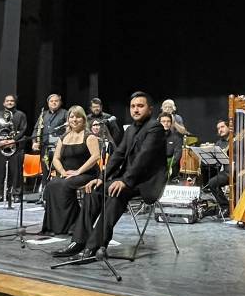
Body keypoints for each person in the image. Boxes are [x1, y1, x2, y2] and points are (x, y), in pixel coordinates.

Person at [53, 91, 166, 259]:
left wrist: (125, 181)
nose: (135, 110)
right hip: (127, 179)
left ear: (150, 109)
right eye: (133, 106)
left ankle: (95, 247)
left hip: (146, 183)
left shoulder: (155, 128)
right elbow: (118, 155)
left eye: (140, 106)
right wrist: (100, 178)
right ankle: (78, 241)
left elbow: (143, 159)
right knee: (93, 189)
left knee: (115, 192)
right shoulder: (130, 130)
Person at [41, 106, 101, 235]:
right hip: (68, 174)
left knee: (65, 184)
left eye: (78, 116)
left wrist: (79, 171)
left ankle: (74, 223)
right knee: (52, 185)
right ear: (68, 119)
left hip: (87, 174)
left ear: (84, 119)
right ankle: (56, 225)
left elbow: (95, 156)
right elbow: (56, 158)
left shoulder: (89, 136)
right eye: (72, 117)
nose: (74, 119)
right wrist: (62, 172)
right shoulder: (64, 137)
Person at [0, 95, 29, 201]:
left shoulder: (21, 115)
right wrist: (0, 141)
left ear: (15, 103)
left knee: (16, 172)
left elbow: (23, 130)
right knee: (1, 171)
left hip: (16, 147)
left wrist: (14, 140)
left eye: (12, 101)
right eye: (7, 101)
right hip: (1, 147)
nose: (10, 102)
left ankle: (16, 194)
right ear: (4, 103)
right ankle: (2, 194)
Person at [32, 93, 67, 189]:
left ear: (60, 102)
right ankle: (45, 195)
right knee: (45, 172)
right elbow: (36, 129)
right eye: (51, 101)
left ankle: (59, 194)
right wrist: (35, 142)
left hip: (59, 148)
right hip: (45, 148)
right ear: (48, 103)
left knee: (59, 171)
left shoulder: (65, 113)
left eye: (56, 101)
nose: (54, 103)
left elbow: (69, 130)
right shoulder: (43, 114)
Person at [205, 119, 231, 213]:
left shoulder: (239, 139)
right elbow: (216, 161)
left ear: (229, 127)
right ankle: (225, 206)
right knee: (212, 183)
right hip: (227, 173)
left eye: (222, 127)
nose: (220, 129)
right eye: (218, 128)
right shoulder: (219, 143)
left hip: (240, 171)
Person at [159, 112, 183, 181]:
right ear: (159, 123)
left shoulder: (177, 138)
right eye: (163, 121)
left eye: (168, 121)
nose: (166, 123)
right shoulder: (154, 137)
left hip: (170, 168)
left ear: (171, 123)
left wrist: (166, 165)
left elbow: (177, 156)